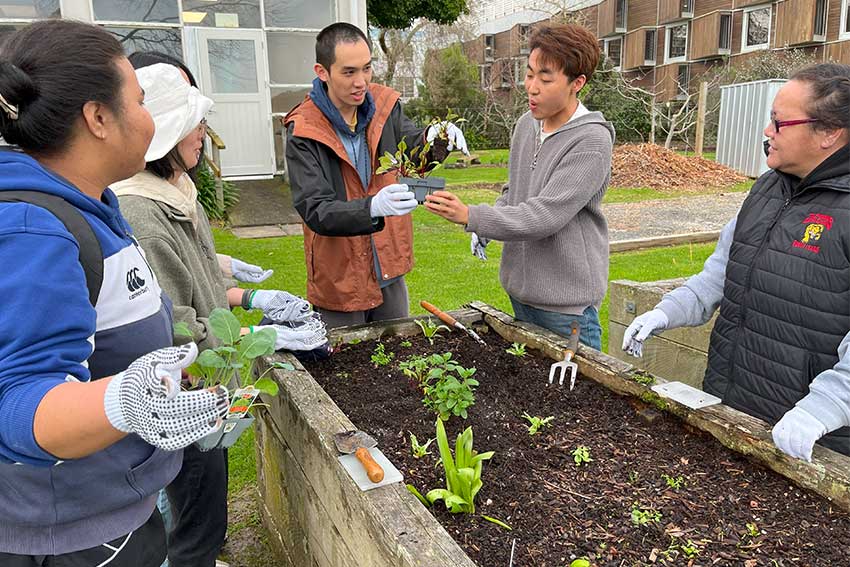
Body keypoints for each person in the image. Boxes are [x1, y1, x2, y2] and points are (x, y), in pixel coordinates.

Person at [0, 20, 228, 566]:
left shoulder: (90, 205)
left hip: (109, 509)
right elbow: (17, 401)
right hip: (76, 536)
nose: (152, 121)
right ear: (98, 118)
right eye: (140, 100)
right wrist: (124, 401)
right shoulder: (37, 230)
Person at [113, 60, 328, 567]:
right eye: (195, 125)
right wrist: (261, 335)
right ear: (167, 136)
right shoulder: (140, 210)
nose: (204, 135)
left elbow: (196, 280)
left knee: (207, 497)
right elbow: (174, 328)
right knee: (192, 513)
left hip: (207, 391)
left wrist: (248, 297)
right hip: (181, 400)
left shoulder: (175, 191)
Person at [622, 63, 850, 463]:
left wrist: (823, 408)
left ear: (830, 132)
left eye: (780, 123)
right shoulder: (767, 188)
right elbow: (720, 275)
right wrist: (665, 312)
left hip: (813, 442)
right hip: (733, 409)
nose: (767, 132)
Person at [425, 23, 614, 350]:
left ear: (577, 83)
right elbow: (515, 193)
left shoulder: (591, 141)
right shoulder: (527, 124)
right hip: (521, 294)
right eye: (529, 74)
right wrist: (484, 229)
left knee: (572, 398)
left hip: (566, 308)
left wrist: (472, 215)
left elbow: (544, 216)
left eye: (546, 78)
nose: (532, 87)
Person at [284, 22, 468, 328]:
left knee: (400, 361)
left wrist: (437, 139)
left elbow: (413, 154)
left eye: (367, 69)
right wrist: (372, 207)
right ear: (322, 72)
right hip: (340, 278)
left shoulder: (385, 106)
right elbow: (314, 208)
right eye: (349, 72)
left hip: (389, 268)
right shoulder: (304, 129)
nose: (361, 82)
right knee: (343, 369)